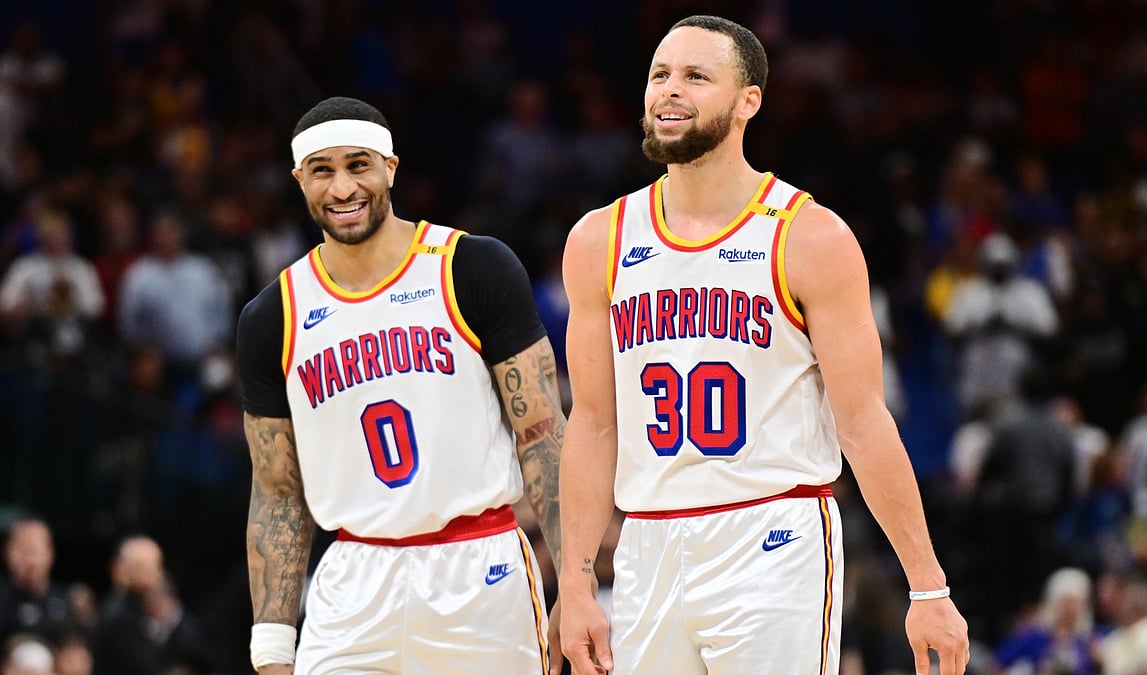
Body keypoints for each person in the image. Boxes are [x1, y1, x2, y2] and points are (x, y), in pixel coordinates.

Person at [558, 15, 969, 675]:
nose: (669, 90)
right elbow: (594, 424)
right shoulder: (598, 240)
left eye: (696, 76)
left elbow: (863, 423)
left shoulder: (812, 238)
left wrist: (929, 586)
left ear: (749, 100)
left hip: (773, 534)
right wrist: (576, 583)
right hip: (647, 541)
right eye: (660, 74)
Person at [235, 96, 565, 673]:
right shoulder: (274, 316)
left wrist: (579, 583)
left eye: (358, 165)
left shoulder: (471, 268)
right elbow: (278, 488)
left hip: (478, 567)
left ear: (390, 166)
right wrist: (271, 643)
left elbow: (542, 435)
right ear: (299, 180)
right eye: (322, 170)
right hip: (351, 578)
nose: (342, 188)